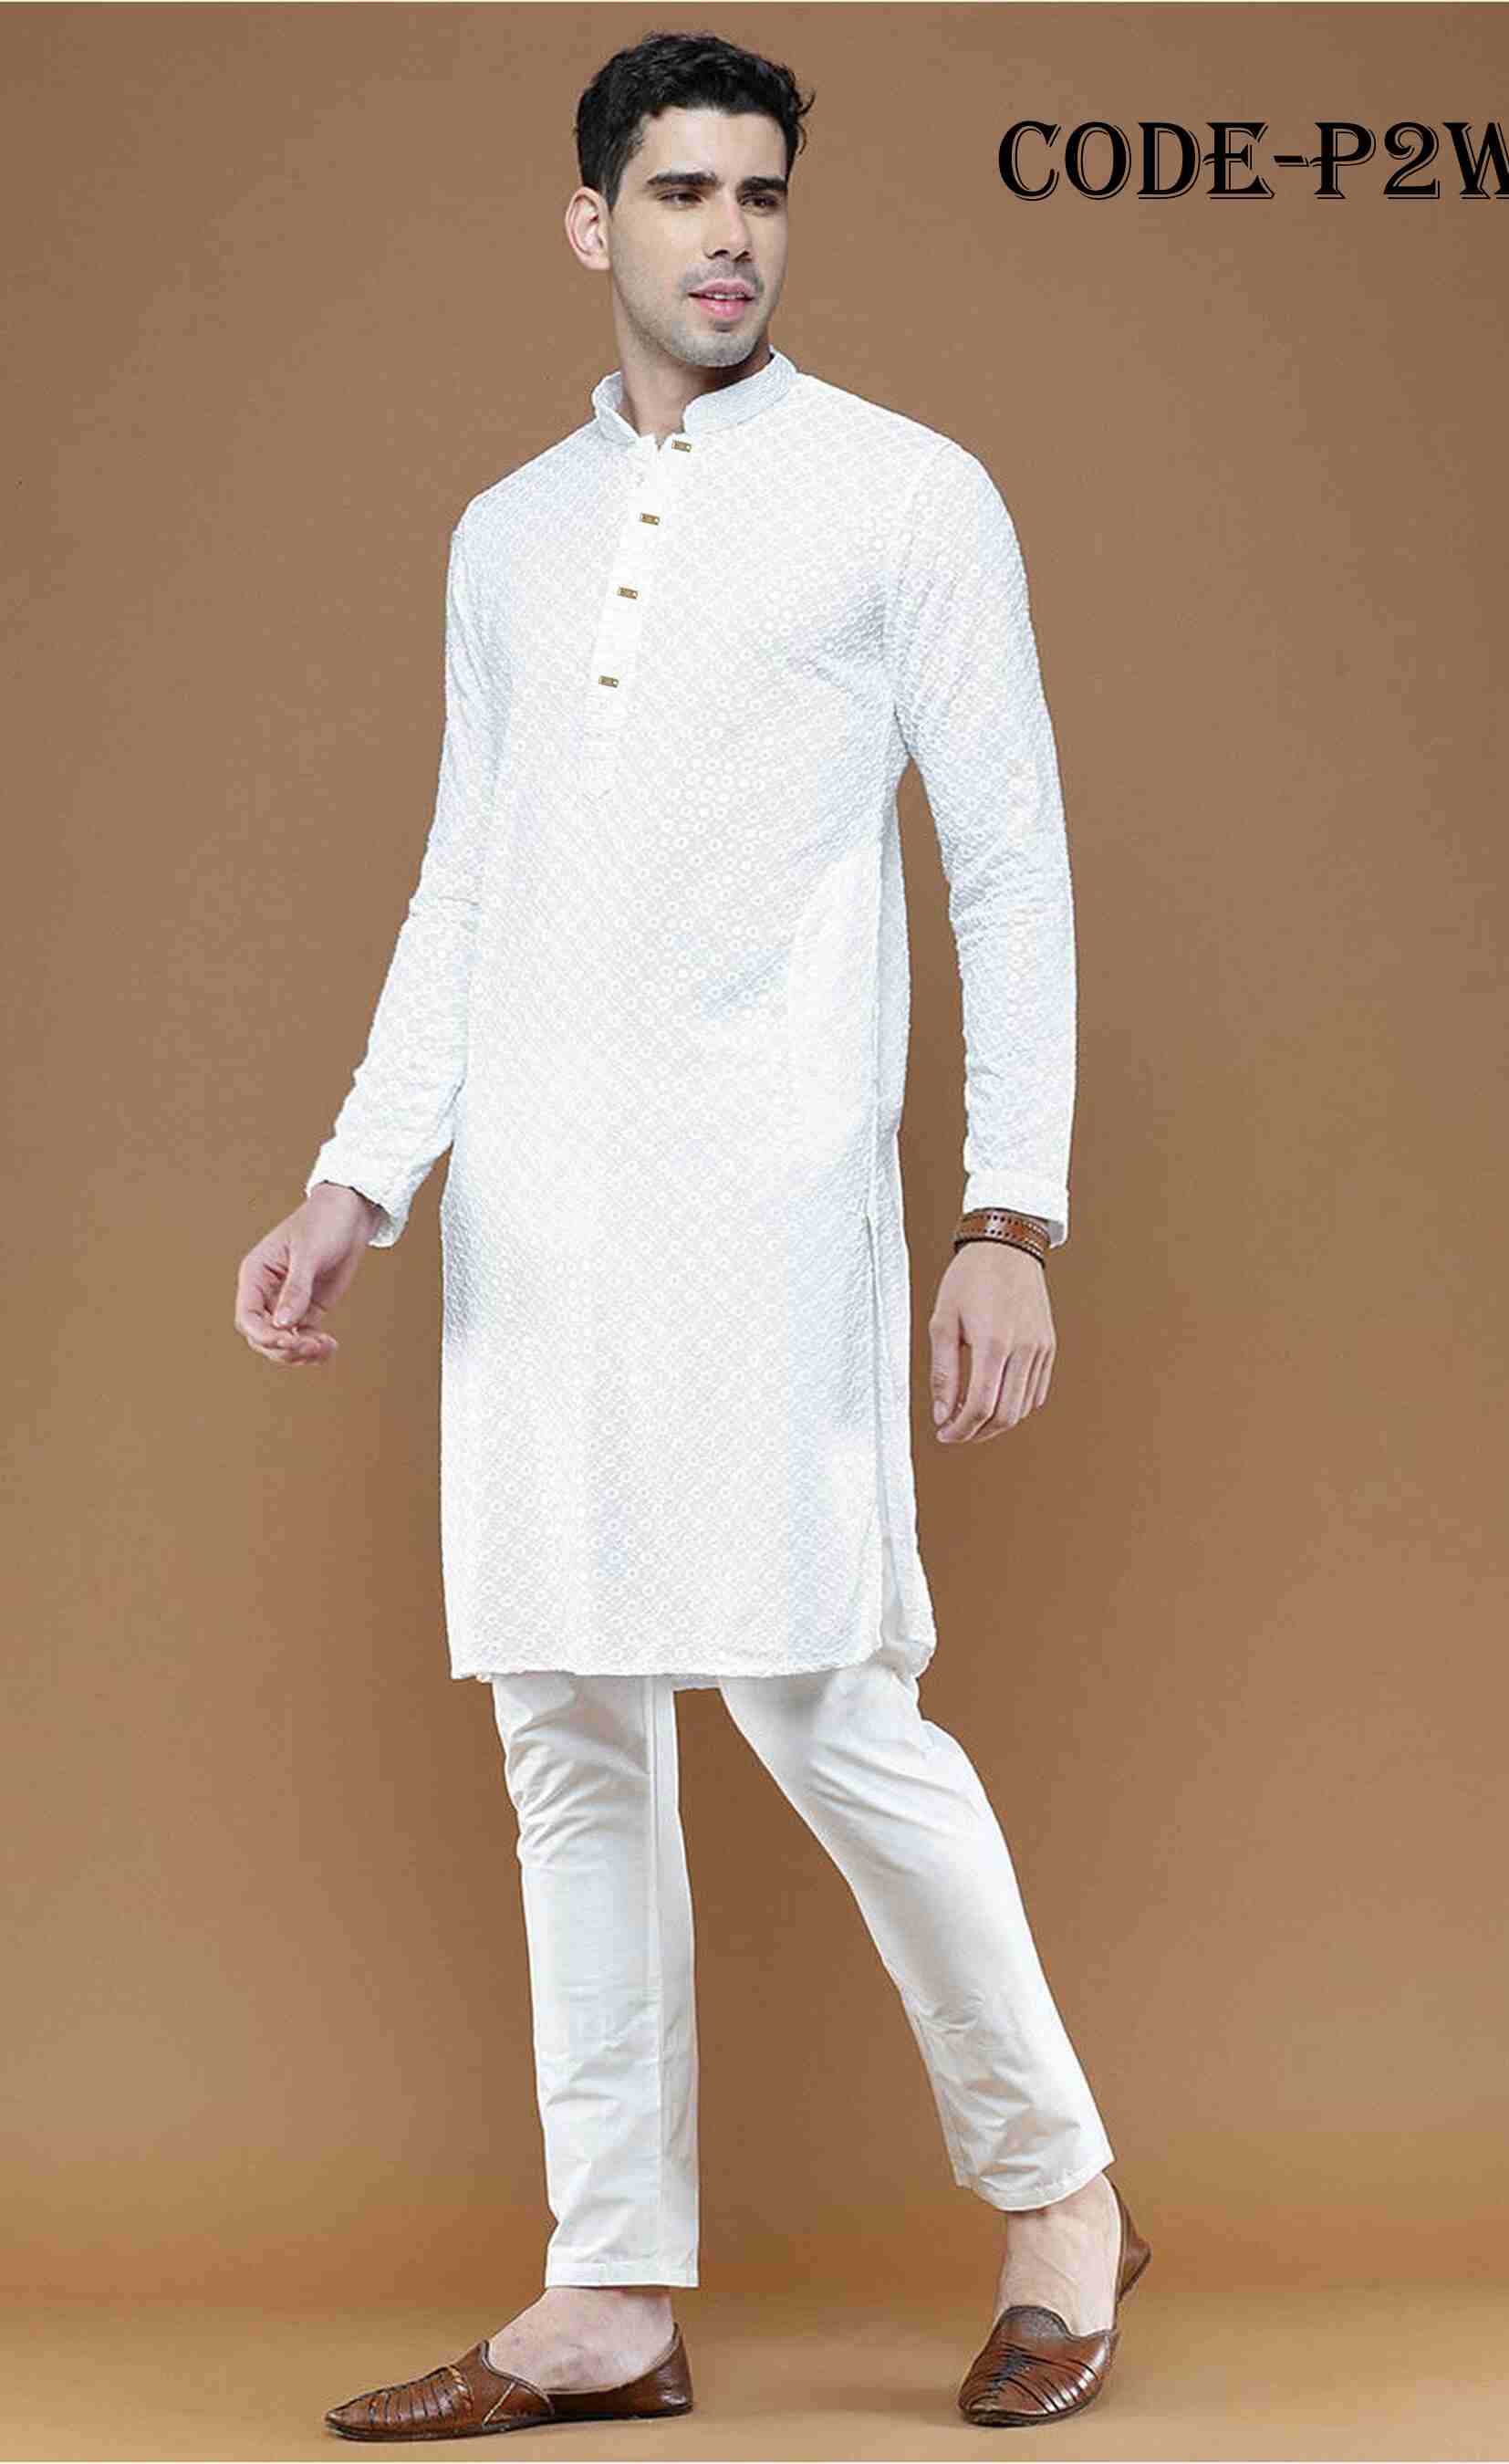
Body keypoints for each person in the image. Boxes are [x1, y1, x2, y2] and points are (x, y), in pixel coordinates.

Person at [235, 27, 1151, 2439]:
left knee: (829, 1700)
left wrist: (1011, 1210)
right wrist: (361, 1174)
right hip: (540, 1210)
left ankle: (1060, 2195)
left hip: (777, 1200)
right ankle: (611, 2288)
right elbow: (466, 873)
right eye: (679, 193)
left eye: (759, 194)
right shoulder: (506, 536)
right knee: (566, 1722)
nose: (727, 234)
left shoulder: (907, 496)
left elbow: (1011, 864)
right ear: (592, 224)